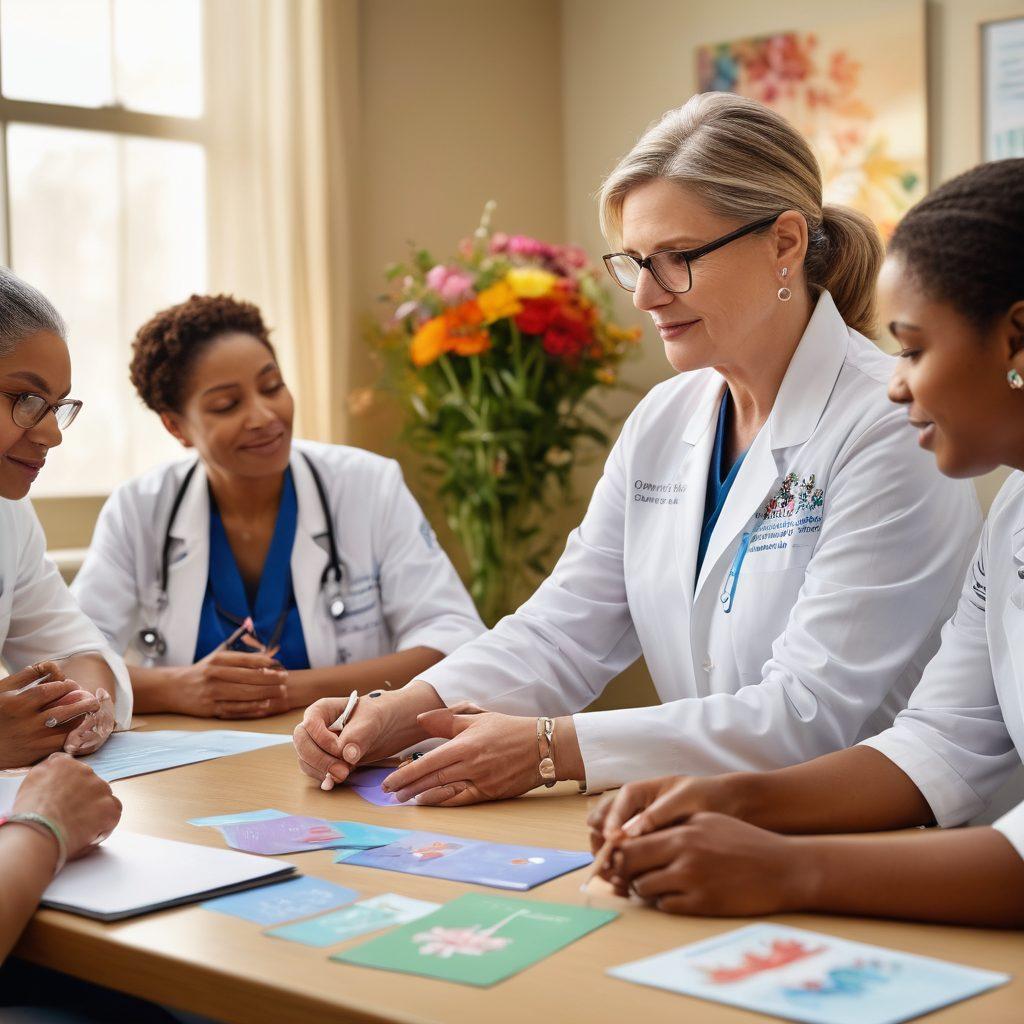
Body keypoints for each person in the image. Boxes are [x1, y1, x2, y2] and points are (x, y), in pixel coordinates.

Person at [292, 93, 979, 805]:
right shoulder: (664, 420)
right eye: (635, 262)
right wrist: (397, 710)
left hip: (878, 835)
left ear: (785, 243)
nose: (646, 297)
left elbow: (808, 713)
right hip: (706, 823)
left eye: (677, 259)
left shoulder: (891, 424)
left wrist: (549, 750)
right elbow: (564, 629)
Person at [586, 159, 1024, 929]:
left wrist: (791, 867)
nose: (896, 385)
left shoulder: (878, 434)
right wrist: (731, 796)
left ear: (1016, 339)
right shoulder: (1014, 508)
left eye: (915, 350)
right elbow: (942, 742)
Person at [72, 294, 484, 720]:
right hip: (187, 768)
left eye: (272, 387)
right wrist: (179, 688)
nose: (264, 415)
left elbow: (454, 641)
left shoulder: (367, 485)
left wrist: (288, 690)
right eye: (227, 405)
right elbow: (73, 658)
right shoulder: (140, 509)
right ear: (176, 426)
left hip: (346, 750)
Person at [0, 269, 131, 767]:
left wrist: (87, 703)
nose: (52, 434)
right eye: (28, 401)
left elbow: (76, 649)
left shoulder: (9, 516)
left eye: (56, 406)